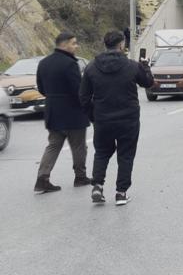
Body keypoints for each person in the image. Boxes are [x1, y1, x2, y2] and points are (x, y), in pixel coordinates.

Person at [79, 31, 154, 205]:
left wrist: (93, 116)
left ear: (105, 44)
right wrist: (146, 67)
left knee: (102, 152)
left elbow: (83, 97)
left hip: (103, 119)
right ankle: (121, 193)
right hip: (128, 119)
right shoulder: (132, 66)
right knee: (126, 154)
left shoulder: (91, 67)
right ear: (121, 45)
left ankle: (97, 185)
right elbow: (148, 83)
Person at [33, 32, 91, 194]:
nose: (76, 46)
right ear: (64, 45)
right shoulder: (70, 64)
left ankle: (42, 179)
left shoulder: (43, 63)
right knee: (79, 146)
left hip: (53, 110)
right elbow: (78, 90)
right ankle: (80, 177)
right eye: (74, 43)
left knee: (53, 146)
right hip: (73, 112)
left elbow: (41, 88)